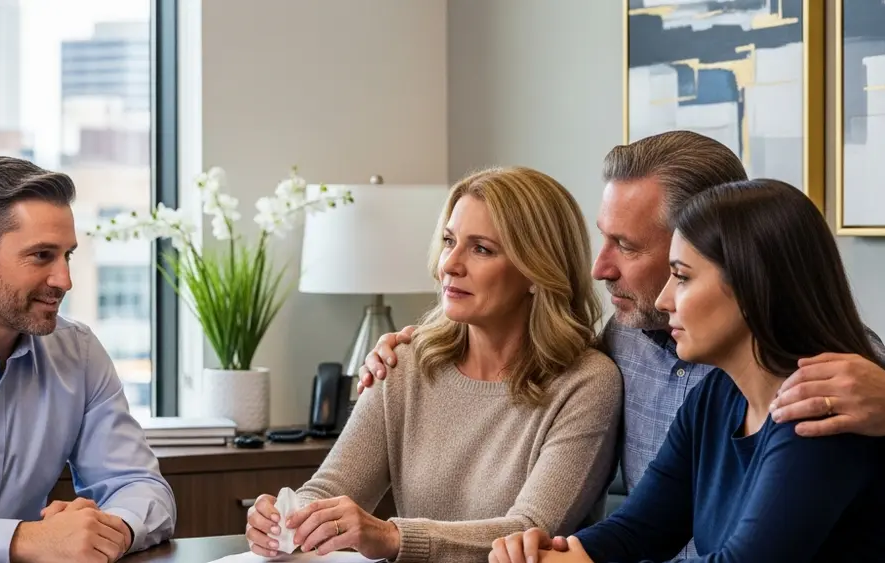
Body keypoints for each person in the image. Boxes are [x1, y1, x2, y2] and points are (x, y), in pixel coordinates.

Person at [360, 131, 885, 557]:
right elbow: (637, 527)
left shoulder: (834, 392)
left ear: (740, 266)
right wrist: (425, 348)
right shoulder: (665, 367)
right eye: (603, 237)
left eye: (628, 247)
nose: (599, 268)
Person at [490, 179, 885, 562]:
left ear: (753, 286)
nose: (664, 300)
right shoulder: (715, 395)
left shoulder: (820, 409)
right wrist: (553, 553)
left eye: (681, 277)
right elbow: (639, 529)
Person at [244, 166, 623, 562]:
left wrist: (392, 536)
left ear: (536, 270)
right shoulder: (404, 363)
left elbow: (528, 531)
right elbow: (330, 489)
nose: (450, 264)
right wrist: (285, 520)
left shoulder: (586, 383)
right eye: (448, 241)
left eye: (481, 249)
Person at [0, 156, 176, 563]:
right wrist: (21, 540)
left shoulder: (78, 352)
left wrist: (109, 531)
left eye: (67, 256)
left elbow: (139, 485)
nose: (64, 280)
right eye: (41, 255)